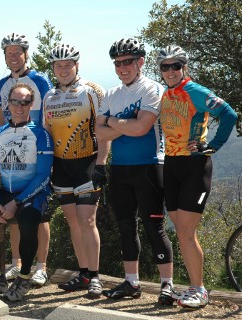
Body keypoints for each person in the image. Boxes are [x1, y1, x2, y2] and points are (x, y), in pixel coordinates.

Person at [95, 38, 175, 305]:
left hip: (150, 165)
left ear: (140, 61)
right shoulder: (111, 93)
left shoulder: (152, 89)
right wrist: (128, 123)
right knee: (126, 226)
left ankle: (167, 284)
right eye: (117, 63)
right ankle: (132, 282)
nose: (122, 67)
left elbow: (142, 129)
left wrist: (112, 122)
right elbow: (99, 132)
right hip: (120, 168)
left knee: (154, 227)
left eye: (127, 62)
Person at [156, 45, 237, 308]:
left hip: (194, 167)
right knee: (180, 231)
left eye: (175, 65)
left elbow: (229, 114)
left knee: (187, 231)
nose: (170, 71)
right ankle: (192, 286)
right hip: (171, 164)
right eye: (165, 67)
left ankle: (199, 290)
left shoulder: (195, 91)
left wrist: (213, 145)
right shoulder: (166, 94)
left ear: (184, 67)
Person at [0, 83, 54, 301]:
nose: (20, 106)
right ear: (8, 104)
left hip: (32, 194)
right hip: (5, 193)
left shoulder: (41, 134)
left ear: (31, 104)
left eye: (25, 102)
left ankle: (24, 278)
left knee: (27, 222)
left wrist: (17, 202)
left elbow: (43, 175)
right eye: (15, 101)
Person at [42, 44, 106, 298]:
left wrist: (101, 162)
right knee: (72, 222)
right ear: (54, 69)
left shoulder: (92, 90)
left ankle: (96, 277)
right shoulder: (49, 96)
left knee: (87, 220)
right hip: (61, 166)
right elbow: (47, 132)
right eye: (59, 65)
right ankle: (83, 273)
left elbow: (102, 128)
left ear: (76, 65)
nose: (63, 69)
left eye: (68, 64)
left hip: (87, 162)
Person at [0, 32, 54, 287]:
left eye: (17, 52)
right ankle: (17, 262)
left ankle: (41, 266)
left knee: (40, 214)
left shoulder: (39, 80)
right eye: (9, 53)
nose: (13, 57)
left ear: (26, 54)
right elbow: (2, 118)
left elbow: (50, 113)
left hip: (39, 146)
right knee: (15, 210)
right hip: (12, 149)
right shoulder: (2, 83)